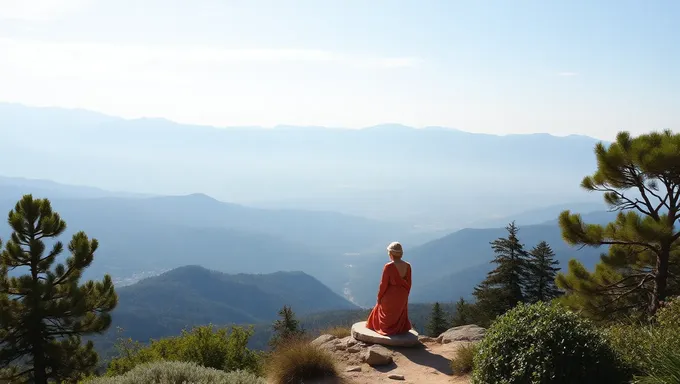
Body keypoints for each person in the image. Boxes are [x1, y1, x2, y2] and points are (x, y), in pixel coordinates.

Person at [365, 241, 412, 335]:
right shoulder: (408, 266)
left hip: (391, 295)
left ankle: (385, 328)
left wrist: (379, 297)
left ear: (391, 254)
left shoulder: (389, 266)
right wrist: (405, 295)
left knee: (379, 306)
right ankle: (398, 328)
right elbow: (409, 283)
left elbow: (383, 285)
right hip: (403, 294)